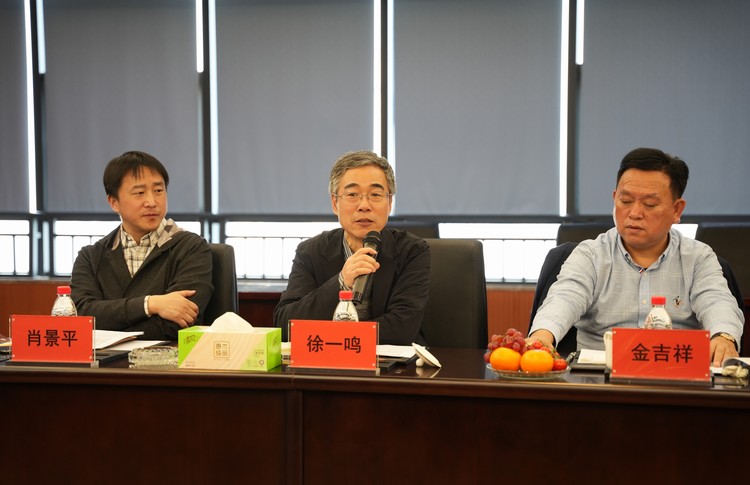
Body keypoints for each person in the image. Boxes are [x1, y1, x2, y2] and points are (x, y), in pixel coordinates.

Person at [529, 147, 743, 366]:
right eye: (626, 200)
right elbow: (565, 297)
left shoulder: (698, 258)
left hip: (676, 374)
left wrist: (723, 336)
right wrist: (543, 335)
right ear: (615, 199)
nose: (634, 213)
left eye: (649, 204)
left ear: (676, 210)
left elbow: (716, 300)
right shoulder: (590, 255)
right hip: (599, 377)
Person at [274, 150, 430, 345]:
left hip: (390, 362)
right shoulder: (311, 251)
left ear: (389, 203)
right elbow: (286, 325)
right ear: (335, 203)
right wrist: (341, 281)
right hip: (328, 361)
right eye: (352, 194)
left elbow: (402, 329)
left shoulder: (412, 251)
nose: (364, 205)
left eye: (375, 194)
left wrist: (337, 336)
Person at [71, 151, 213, 340]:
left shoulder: (191, 248)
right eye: (139, 193)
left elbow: (178, 321)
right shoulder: (91, 256)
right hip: (105, 359)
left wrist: (109, 326)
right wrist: (151, 304)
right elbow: (81, 316)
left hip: (169, 357)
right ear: (114, 202)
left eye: (158, 191)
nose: (152, 202)